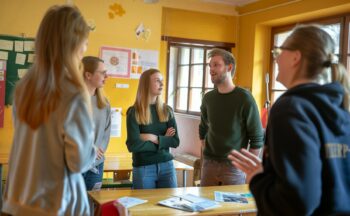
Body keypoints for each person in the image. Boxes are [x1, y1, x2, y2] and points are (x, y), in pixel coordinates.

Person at [228, 24, 350, 215]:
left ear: (296, 57)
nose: (275, 58)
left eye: (279, 51)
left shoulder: (291, 108)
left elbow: (296, 203)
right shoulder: (341, 107)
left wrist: (258, 179)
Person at [2, 5, 96, 216]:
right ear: (73, 43)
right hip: (57, 204)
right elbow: (78, 161)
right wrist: (92, 148)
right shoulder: (73, 92)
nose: (86, 46)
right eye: (84, 40)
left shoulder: (23, 87)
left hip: (20, 200)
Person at [199, 48, 264, 186]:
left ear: (229, 67)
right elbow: (202, 129)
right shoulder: (208, 98)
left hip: (234, 168)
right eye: (210, 65)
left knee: (231, 208)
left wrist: (246, 167)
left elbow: (257, 138)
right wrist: (208, 156)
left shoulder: (245, 98)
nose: (211, 69)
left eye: (216, 64)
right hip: (209, 166)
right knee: (204, 205)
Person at [126, 68, 179, 189]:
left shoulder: (167, 110)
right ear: (146, 84)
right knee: (145, 207)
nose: (162, 84)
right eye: (157, 80)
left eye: (162, 80)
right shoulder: (134, 112)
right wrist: (163, 141)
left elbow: (175, 141)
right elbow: (133, 145)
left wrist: (152, 138)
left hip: (167, 166)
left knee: (169, 206)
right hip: (144, 168)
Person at [82, 56, 111, 191]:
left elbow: (106, 131)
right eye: (103, 73)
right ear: (88, 75)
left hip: (96, 164)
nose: (107, 76)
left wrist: (99, 150)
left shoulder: (104, 103)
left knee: (92, 206)